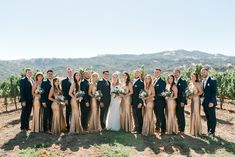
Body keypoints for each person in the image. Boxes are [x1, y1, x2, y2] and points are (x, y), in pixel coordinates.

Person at [201, 67, 217, 136]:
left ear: (207, 72)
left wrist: (212, 102)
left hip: (210, 103)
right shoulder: (202, 81)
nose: (203, 73)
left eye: (204, 72)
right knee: (207, 117)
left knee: (212, 117)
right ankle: (209, 131)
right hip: (204, 103)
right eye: (201, 72)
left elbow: (214, 92)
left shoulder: (213, 81)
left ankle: (212, 132)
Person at [153, 68, 166, 135]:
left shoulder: (162, 81)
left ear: (160, 73)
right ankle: (157, 128)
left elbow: (162, 93)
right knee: (157, 115)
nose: (156, 73)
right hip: (154, 102)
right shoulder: (154, 81)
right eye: (155, 72)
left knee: (161, 116)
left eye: (158, 72)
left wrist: (153, 96)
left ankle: (163, 130)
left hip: (160, 102)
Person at [174, 69, 187, 133]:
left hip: (180, 101)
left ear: (179, 73)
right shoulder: (174, 81)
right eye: (175, 73)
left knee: (181, 114)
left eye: (177, 73)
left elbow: (184, 92)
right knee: (177, 114)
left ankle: (182, 128)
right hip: (174, 101)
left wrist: (183, 101)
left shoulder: (183, 81)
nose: (175, 74)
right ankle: (178, 126)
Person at [132, 69, 144, 134]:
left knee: (139, 115)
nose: (136, 74)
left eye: (138, 73)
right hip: (133, 102)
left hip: (138, 102)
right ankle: (136, 128)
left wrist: (140, 102)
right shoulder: (133, 81)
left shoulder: (141, 82)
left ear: (140, 74)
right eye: (135, 73)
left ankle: (139, 129)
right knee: (134, 115)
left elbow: (142, 93)